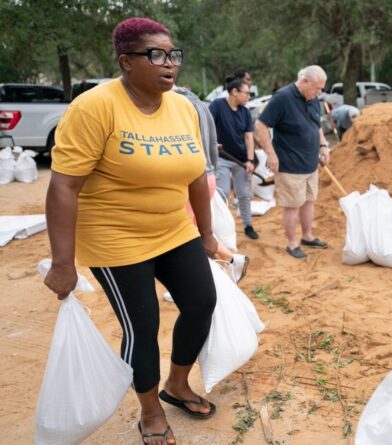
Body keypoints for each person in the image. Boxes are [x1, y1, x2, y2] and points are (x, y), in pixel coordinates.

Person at [44, 18, 217, 445]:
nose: (169, 64)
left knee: (201, 303)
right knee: (143, 325)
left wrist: (208, 234)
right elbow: (63, 186)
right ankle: (150, 410)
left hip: (174, 229)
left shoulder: (182, 107)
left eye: (173, 54)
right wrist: (63, 263)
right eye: (155, 55)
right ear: (126, 62)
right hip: (115, 238)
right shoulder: (94, 107)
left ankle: (176, 384)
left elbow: (196, 175)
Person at [254, 65, 330, 259]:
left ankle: (307, 236)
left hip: (310, 163)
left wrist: (323, 145)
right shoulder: (282, 98)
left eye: (321, 88)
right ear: (304, 81)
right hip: (290, 165)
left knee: (309, 201)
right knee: (292, 205)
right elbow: (260, 126)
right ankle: (292, 244)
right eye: (316, 88)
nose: (319, 92)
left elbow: (316, 124)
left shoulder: (312, 98)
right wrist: (271, 154)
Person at [173, 86, 248, 282]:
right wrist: (212, 171)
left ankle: (225, 263)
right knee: (196, 231)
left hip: (191, 179)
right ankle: (225, 264)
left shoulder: (172, 106)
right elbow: (213, 144)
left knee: (185, 235)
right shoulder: (200, 104)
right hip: (207, 176)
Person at [210, 78, 258, 239]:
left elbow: (249, 137)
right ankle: (223, 229)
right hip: (222, 157)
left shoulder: (245, 112)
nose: (248, 97)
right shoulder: (217, 106)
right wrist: (212, 143)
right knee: (222, 192)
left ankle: (248, 225)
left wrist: (250, 160)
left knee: (244, 193)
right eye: (246, 93)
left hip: (241, 160)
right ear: (234, 92)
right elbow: (207, 126)